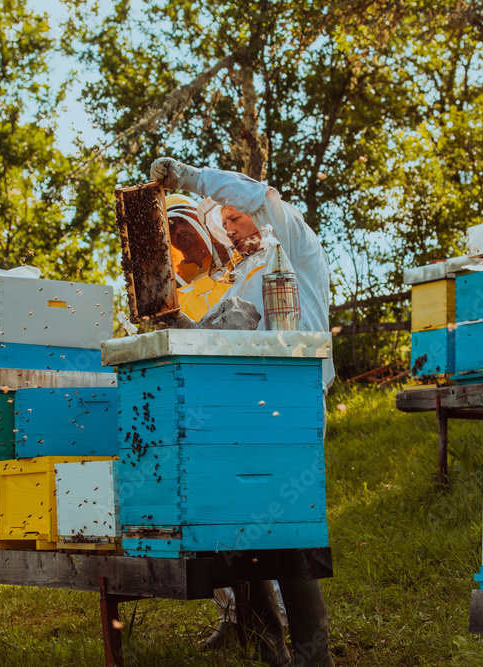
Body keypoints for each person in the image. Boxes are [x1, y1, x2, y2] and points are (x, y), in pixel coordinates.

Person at [151, 158, 335, 667]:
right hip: (244, 405)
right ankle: (268, 648)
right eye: (225, 223)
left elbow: (260, 195)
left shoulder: (296, 248)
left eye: (237, 217)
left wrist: (187, 177)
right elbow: (218, 336)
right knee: (246, 522)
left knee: (291, 531)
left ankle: (313, 657)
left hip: (296, 398)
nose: (232, 228)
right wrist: (167, 320)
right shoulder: (242, 277)